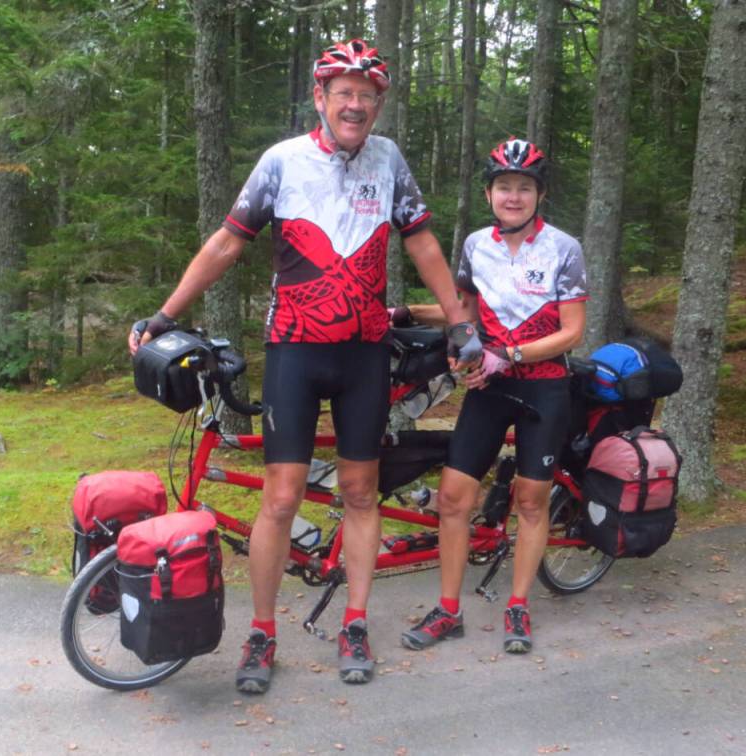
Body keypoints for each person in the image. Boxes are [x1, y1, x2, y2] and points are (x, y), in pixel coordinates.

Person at [128, 39, 479, 694]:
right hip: (294, 347)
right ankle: (262, 632)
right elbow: (229, 240)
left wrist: (460, 321)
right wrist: (165, 314)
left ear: (377, 105)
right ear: (320, 99)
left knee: (359, 493)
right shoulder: (281, 162)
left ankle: (354, 621)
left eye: (367, 95)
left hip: (364, 352)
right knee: (282, 496)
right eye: (343, 92)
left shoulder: (389, 160)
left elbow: (423, 240)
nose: (355, 104)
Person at [398, 137, 587, 655]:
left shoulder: (563, 248)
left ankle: (518, 606)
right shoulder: (476, 244)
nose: (513, 196)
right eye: (504, 186)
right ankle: (448, 610)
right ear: (489, 193)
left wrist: (513, 355)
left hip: (544, 387)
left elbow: (572, 332)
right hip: (491, 387)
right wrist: (410, 313)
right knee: (456, 498)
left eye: (524, 187)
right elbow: (465, 311)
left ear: (538, 196)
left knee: (530, 500)